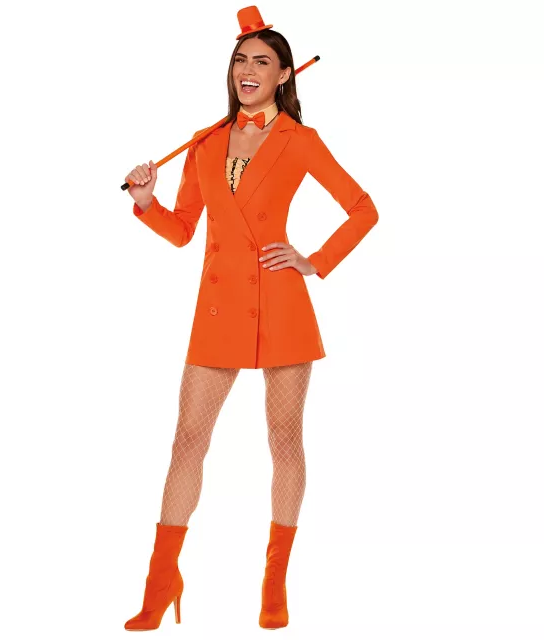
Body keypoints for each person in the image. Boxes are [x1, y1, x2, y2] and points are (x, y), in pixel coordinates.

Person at [122, 5, 379, 631]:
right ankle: (161, 580)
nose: (248, 70)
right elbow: (183, 231)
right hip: (217, 310)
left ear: (285, 75)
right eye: (241, 59)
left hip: (280, 303)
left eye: (263, 61)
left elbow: (363, 209)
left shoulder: (299, 140)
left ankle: (274, 579)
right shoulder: (205, 142)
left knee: (284, 442)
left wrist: (313, 261)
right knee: (187, 441)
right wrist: (147, 202)